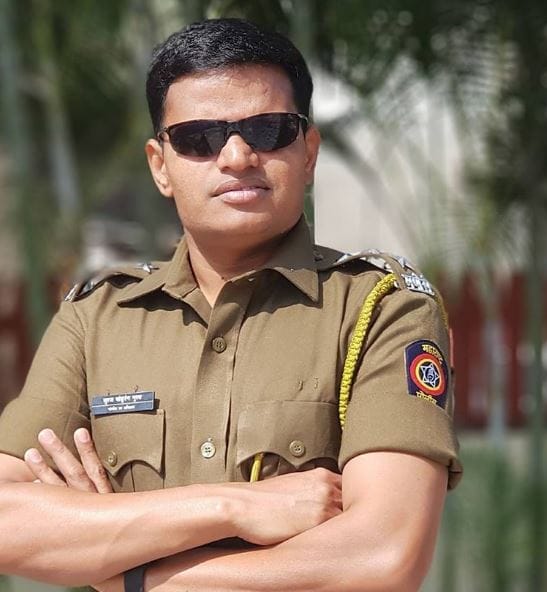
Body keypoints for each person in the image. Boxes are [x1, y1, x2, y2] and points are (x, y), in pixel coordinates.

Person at [0, 17, 461, 592]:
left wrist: (127, 574)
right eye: (200, 138)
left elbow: (383, 556)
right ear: (160, 165)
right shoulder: (97, 318)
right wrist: (233, 506)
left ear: (309, 152)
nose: (238, 156)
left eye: (268, 130)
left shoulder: (380, 309)